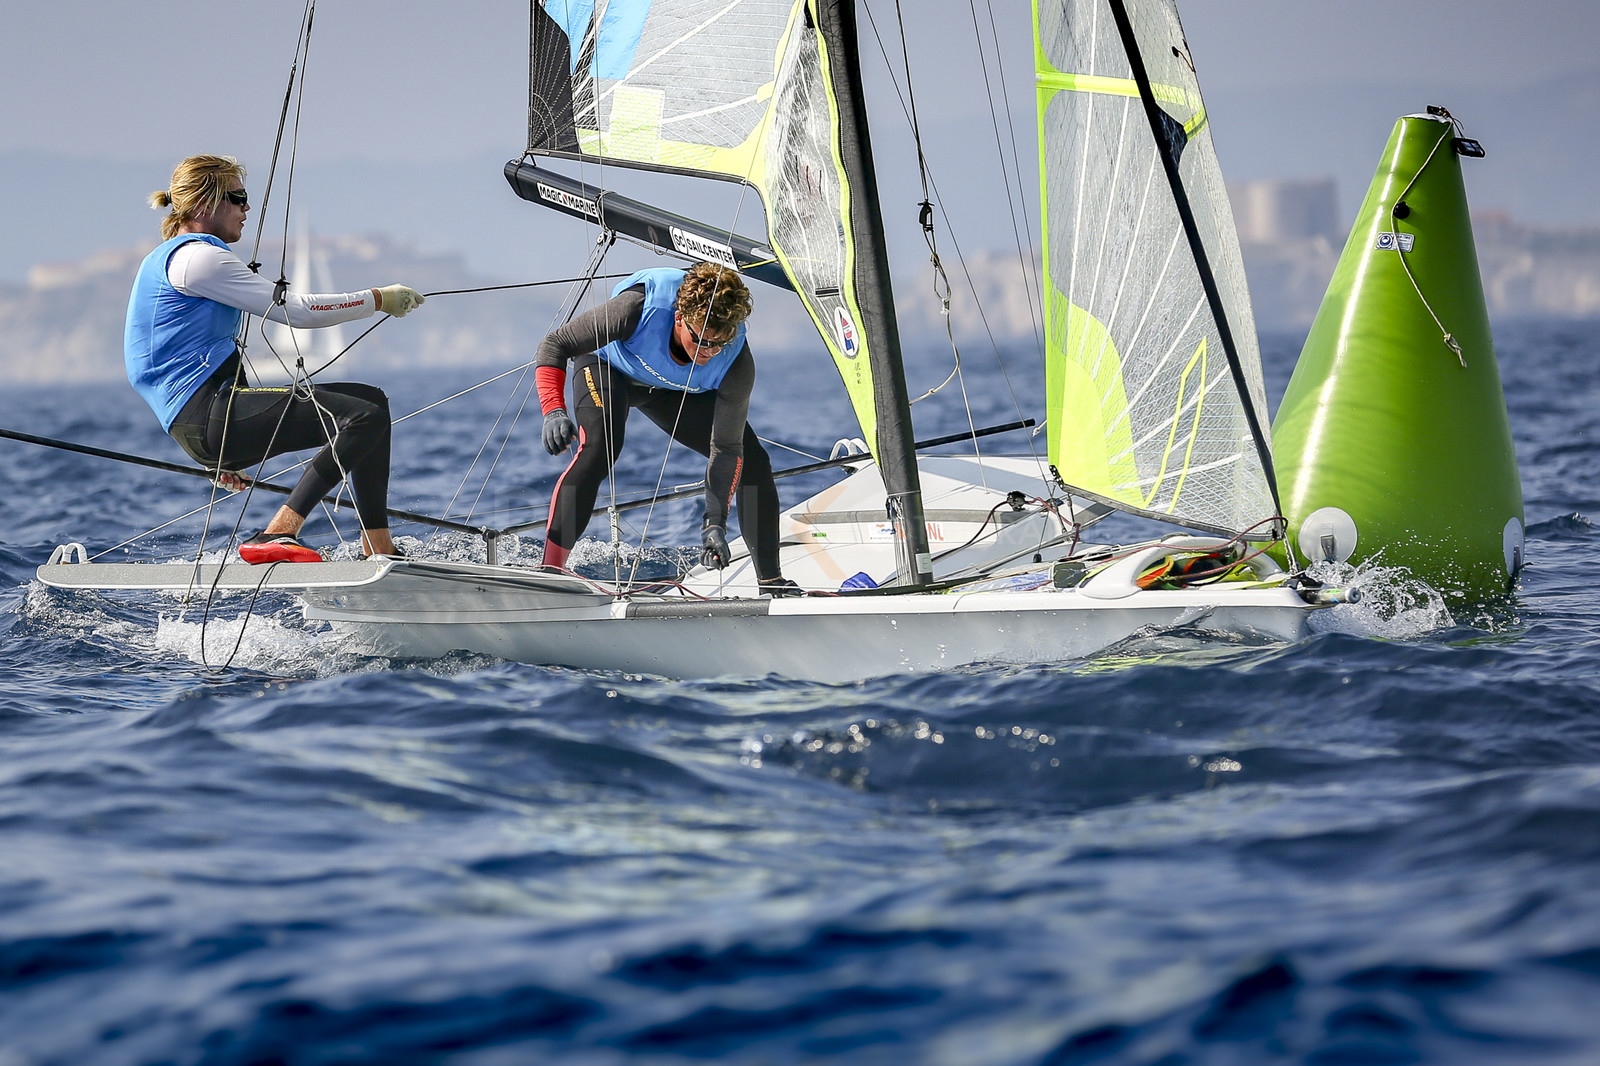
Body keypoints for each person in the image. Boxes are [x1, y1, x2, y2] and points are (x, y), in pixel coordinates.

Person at [124, 154, 424, 564]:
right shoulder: (197, 259)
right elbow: (296, 311)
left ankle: (379, 547)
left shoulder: (165, 262)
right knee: (361, 417)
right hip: (209, 417)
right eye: (238, 197)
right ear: (203, 206)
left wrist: (221, 446)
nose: (247, 208)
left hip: (206, 419)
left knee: (372, 405)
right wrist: (377, 299)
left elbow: (153, 372)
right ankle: (278, 532)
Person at [534, 262, 795, 591]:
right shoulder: (636, 310)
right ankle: (550, 572)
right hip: (608, 369)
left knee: (754, 462)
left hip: (669, 391)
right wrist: (553, 411)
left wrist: (714, 524)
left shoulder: (736, 363)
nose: (708, 352)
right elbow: (555, 344)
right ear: (678, 317)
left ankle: (772, 583)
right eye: (700, 340)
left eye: (718, 344)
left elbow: (726, 449)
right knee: (601, 448)